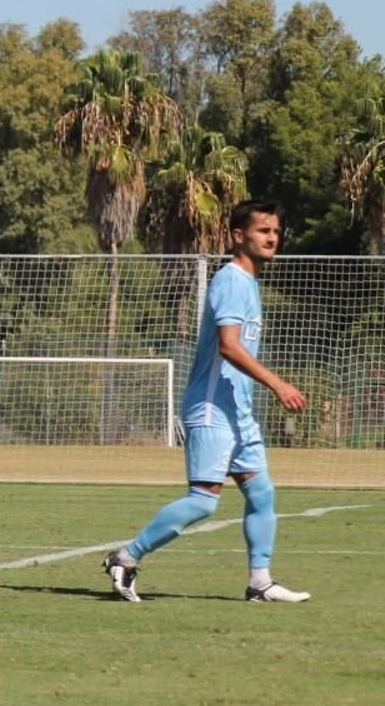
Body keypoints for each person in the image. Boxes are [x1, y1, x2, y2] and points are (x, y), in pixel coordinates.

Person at [102, 200, 310, 604]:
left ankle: (260, 584)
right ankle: (125, 558)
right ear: (238, 235)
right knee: (203, 501)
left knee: (262, 494)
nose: (272, 238)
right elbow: (229, 347)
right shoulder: (231, 280)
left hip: (238, 412)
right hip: (212, 409)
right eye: (263, 230)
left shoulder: (249, 283)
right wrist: (277, 384)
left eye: (275, 231)